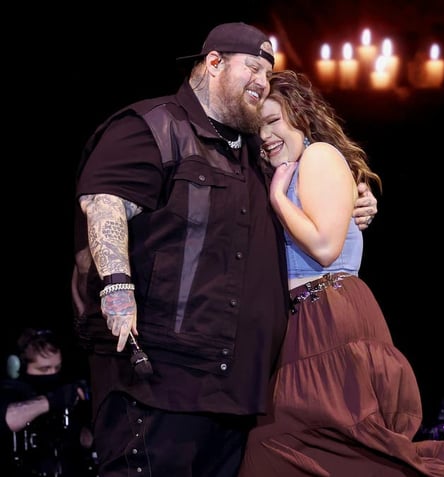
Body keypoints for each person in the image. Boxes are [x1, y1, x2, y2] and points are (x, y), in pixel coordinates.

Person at [71, 22, 378, 477]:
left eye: (268, 74)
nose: (262, 81)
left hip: (237, 391)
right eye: (252, 67)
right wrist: (117, 287)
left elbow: (309, 183)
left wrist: (356, 197)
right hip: (159, 381)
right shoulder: (154, 125)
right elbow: (105, 203)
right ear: (213, 63)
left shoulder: (254, 153)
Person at [237, 70, 444, 477]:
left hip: (326, 315)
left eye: (274, 121)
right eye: (257, 126)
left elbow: (323, 247)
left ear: (300, 117)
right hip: (303, 324)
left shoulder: (316, 157)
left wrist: (276, 200)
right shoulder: (281, 173)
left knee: (301, 450)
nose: (265, 134)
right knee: (322, 454)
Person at [1, 328, 94, 476]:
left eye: (57, 368)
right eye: (44, 369)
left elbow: (86, 442)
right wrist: (51, 401)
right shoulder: (9, 391)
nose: (52, 374)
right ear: (18, 366)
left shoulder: (66, 390)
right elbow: (9, 418)